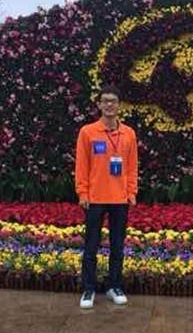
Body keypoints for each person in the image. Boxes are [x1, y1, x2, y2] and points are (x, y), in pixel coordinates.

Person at [74, 85, 138, 308]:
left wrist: (131, 191)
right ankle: (88, 288)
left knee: (117, 246)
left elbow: (132, 166)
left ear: (119, 105)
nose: (109, 105)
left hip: (120, 198)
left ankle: (114, 286)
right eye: (105, 101)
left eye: (113, 101)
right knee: (91, 245)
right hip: (94, 198)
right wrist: (82, 192)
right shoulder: (88, 132)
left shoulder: (129, 134)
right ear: (99, 105)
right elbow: (82, 165)